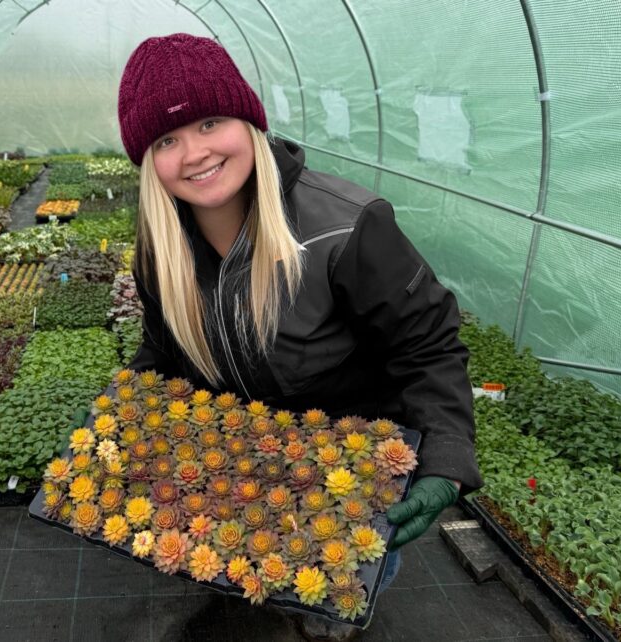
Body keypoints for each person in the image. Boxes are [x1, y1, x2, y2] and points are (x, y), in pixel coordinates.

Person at [117, 33, 483, 640]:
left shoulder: (346, 227)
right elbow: (163, 348)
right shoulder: (162, 249)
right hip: (243, 460)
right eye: (167, 140)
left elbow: (429, 344)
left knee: (337, 593)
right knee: (261, 574)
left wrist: (445, 458)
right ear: (148, 160)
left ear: (250, 121)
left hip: (350, 463)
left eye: (211, 122)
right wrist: (125, 410)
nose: (195, 153)